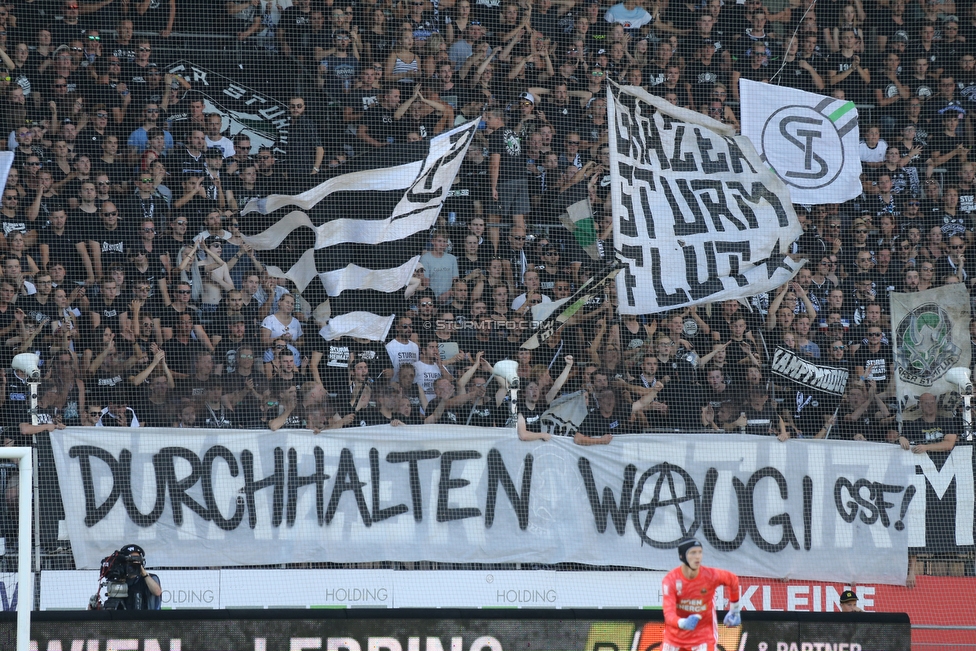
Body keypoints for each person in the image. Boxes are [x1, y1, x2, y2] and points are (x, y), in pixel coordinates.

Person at [661, 538, 742, 651]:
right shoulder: (671, 580)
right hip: (674, 639)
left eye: (700, 552)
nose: (698, 556)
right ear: (682, 556)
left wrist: (735, 610)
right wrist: (683, 622)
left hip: (703, 638)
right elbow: (669, 614)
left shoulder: (711, 575)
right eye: (693, 553)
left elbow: (733, 580)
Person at [117, 543, 161, 610]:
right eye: (131, 560)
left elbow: (157, 592)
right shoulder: (120, 579)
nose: (134, 562)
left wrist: (144, 574)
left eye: (137, 559)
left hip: (146, 618)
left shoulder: (151, 578)